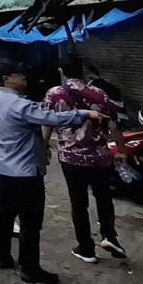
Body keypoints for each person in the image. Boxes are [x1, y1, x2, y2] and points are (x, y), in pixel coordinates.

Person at [0, 60, 107, 284]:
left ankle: (3, 257)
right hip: (25, 172)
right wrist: (85, 114)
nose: (24, 79)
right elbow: (53, 119)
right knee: (31, 222)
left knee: (5, 214)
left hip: (4, 167)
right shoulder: (21, 106)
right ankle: (30, 268)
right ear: (7, 79)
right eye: (19, 76)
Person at [42, 60, 125, 263]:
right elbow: (114, 125)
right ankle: (109, 235)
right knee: (104, 196)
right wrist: (121, 151)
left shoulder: (55, 93)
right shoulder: (99, 93)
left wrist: (43, 146)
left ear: (61, 71)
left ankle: (86, 248)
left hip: (72, 158)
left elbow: (47, 122)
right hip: (100, 156)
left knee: (78, 202)